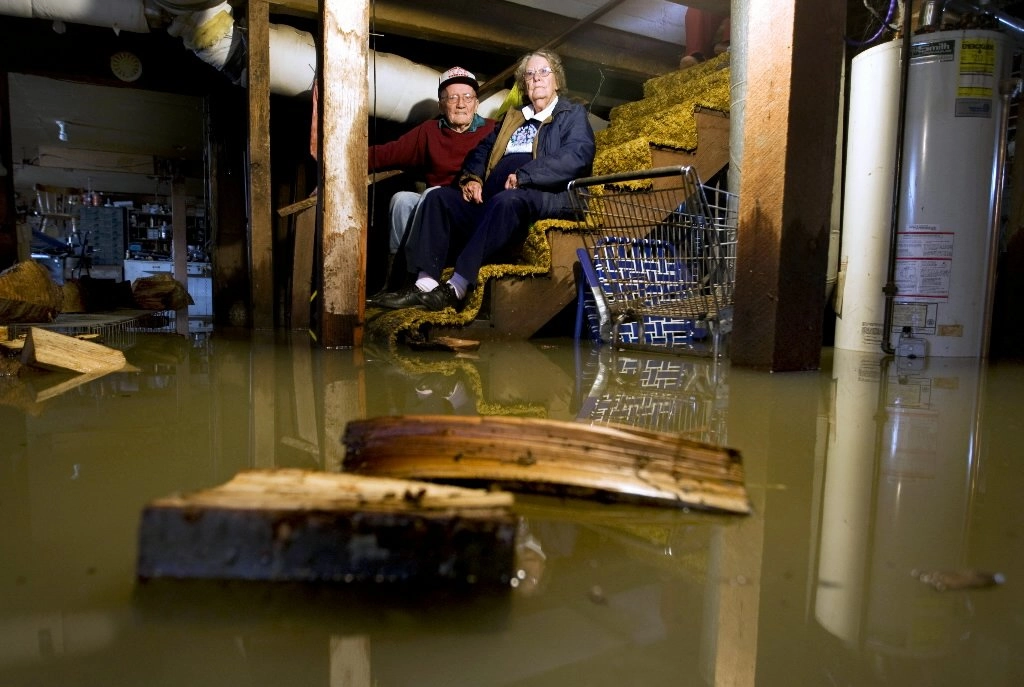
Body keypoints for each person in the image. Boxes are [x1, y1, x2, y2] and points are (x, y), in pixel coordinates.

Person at [372, 50, 595, 312]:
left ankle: (456, 285)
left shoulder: (572, 114)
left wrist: (526, 175)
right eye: (530, 74)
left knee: (507, 201)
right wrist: (473, 178)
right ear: (524, 83)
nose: (536, 79)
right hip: (491, 197)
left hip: (542, 195)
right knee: (438, 197)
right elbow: (481, 151)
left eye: (544, 72)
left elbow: (577, 155)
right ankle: (425, 285)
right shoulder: (514, 117)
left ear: (556, 81)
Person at [368, 66, 496, 283]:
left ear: (477, 103)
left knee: (433, 193)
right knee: (401, 200)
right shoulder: (429, 131)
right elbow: (385, 153)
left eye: (467, 97)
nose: (461, 104)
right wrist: (334, 168)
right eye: (452, 97)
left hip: (472, 211)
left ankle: (422, 274)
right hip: (433, 213)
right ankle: (400, 277)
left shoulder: (493, 130)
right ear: (441, 104)